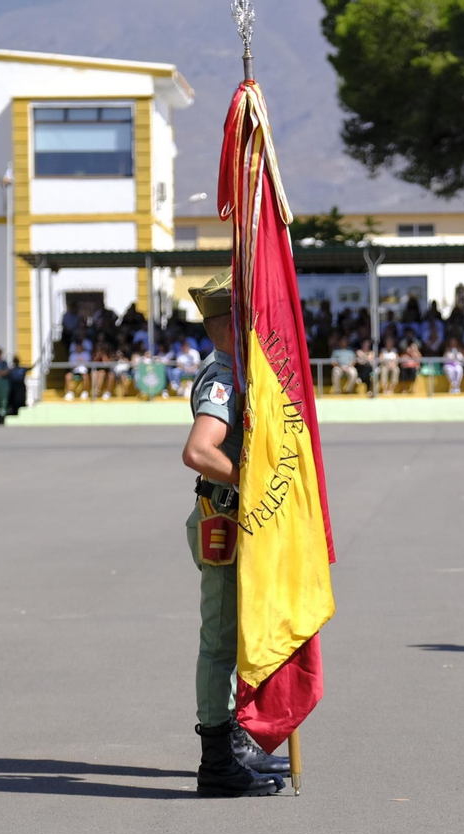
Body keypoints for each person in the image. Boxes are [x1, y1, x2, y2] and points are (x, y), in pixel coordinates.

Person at [177, 269, 288, 797]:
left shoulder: (239, 369)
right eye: (247, 315)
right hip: (224, 521)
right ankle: (216, 760)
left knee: (243, 637)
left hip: (243, 520)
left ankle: (240, 741)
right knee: (220, 642)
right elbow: (198, 451)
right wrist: (254, 479)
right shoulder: (222, 375)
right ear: (228, 324)